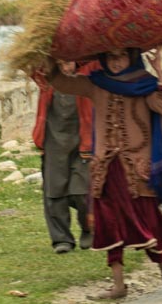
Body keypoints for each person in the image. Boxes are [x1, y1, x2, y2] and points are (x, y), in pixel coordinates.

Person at [42, 47, 162, 300]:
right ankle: (118, 285)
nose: (115, 63)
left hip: (136, 170)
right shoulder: (97, 84)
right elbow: (61, 82)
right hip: (104, 168)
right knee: (107, 224)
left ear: (131, 57)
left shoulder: (145, 85)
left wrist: (159, 71)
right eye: (111, 57)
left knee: (144, 221)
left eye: (121, 56)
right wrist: (49, 55)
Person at [32, 60, 99, 254]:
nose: (66, 68)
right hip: (53, 141)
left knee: (82, 192)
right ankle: (61, 239)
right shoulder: (46, 77)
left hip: (83, 142)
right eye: (60, 64)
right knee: (54, 191)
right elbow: (29, 67)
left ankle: (88, 229)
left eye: (69, 63)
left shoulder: (88, 73)